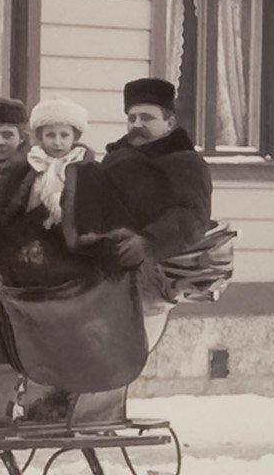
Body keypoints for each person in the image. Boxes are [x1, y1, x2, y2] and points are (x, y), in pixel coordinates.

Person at [70, 77, 215, 307]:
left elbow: (191, 214)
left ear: (170, 123)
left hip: (145, 264)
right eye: (132, 118)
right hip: (100, 256)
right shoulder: (113, 158)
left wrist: (148, 242)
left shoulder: (185, 161)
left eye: (147, 118)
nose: (137, 124)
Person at [0, 96, 96, 289]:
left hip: (65, 247)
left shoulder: (83, 169)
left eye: (7, 135)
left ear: (22, 138)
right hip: (20, 246)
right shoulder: (25, 169)